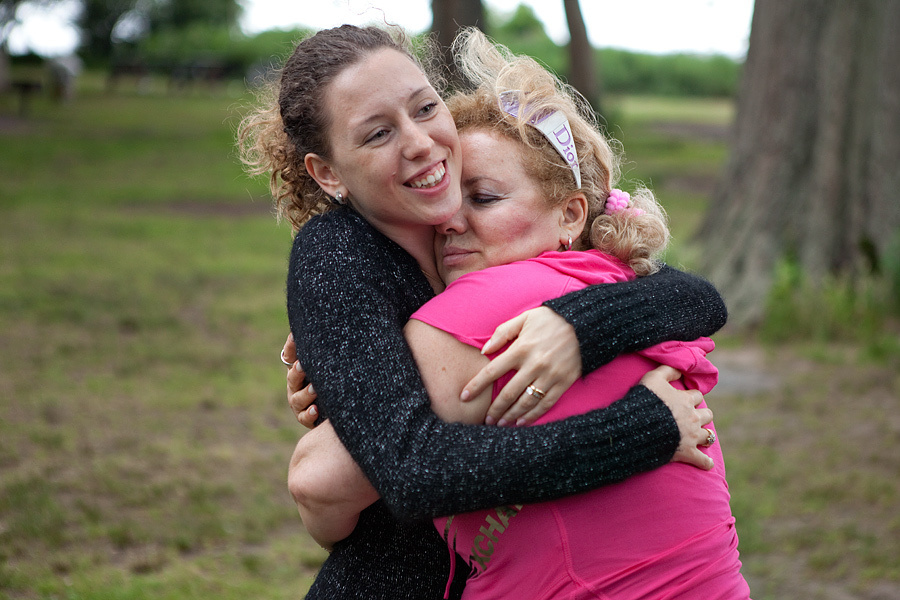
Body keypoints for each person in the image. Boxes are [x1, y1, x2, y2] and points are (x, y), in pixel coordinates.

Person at [239, 24, 727, 599]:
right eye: (376, 134)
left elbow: (694, 297)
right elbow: (402, 473)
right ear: (328, 173)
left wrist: (579, 327)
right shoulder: (339, 255)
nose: (419, 142)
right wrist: (645, 429)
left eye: (425, 108)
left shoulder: (470, 230)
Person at [396, 29, 750, 598]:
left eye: (483, 198)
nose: (451, 223)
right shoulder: (618, 278)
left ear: (570, 215)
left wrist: (330, 377)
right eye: (444, 203)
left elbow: (320, 487)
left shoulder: (488, 299)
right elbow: (700, 297)